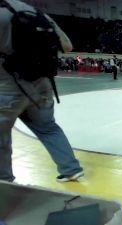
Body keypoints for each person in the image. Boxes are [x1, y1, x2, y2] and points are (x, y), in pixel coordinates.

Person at [0, 0, 83, 182]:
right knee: (48, 128)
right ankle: (71, 168)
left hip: (7, 87)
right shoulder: (36, 13)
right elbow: (67, 46)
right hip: (42, 85)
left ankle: (5, 184)